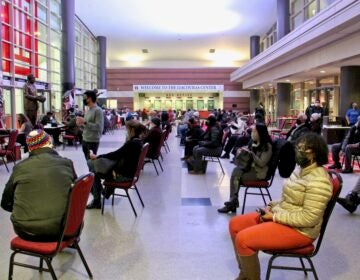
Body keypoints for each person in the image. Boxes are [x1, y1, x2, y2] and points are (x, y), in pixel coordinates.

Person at [228, 133, 332, 280]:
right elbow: (288, 198)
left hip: (301, 231)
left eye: (302, 149)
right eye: (298, 147)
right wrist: (271, 205)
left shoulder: (319, 181)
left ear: (313, 153)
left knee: (243, 240)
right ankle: (245, 273)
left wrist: (275, 216)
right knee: (235, 224)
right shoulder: (301, 169)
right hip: (285, 217)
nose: (297, 151)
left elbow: (309, 219)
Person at [1, 130, 77, 241]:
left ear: (30, 148)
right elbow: (76, 197)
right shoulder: (67, 163)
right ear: (49, 143)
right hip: (65, 228)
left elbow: (5, 203)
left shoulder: (20, 168)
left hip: (27, 231)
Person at [86, 120, 147, 209]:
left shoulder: (131, 144)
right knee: (95, 168)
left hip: (123, 176)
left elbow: (115, 154)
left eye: (127, 130)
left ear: (132, 130)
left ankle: (97, 200)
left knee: (94, 173)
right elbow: (119, 154)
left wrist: (97, 157)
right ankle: (104, 192)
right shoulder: (138, 142)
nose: (126, 132)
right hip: (130, 173)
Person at [218, 123, 273, 213]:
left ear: (260, 133)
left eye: (254, 131)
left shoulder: (267, 146)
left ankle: (232, 204)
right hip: (250, 169)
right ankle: (232, 202)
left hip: (259, 173)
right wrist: (242, 150)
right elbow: (248, 150)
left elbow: (262, 163)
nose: (252, 133)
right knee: (236, 171)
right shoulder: (254, 142)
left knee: (236, 177)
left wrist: (252, 154)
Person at [76, 90, 104, 160]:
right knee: (88, 161)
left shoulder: (98, 110)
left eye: (85, 97)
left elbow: (98, 127)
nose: (84, 99)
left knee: (91, 162)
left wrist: (85, 122)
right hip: (85, 139)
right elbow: (86, 125)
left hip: (92, 141)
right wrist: (80, 124)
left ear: (90, 98)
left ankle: (93, 171)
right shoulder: (88, 110)